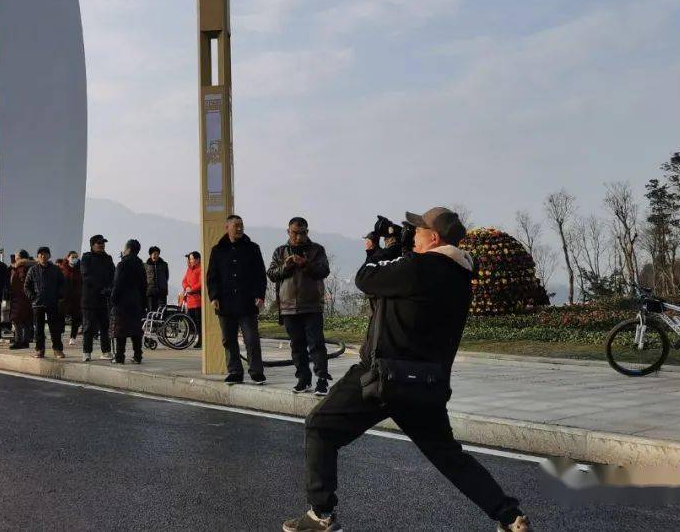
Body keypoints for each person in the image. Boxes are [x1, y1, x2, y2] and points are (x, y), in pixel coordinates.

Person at [285, 208, 531, 532]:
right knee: (449, 457)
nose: (412, 233)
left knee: (319, 427)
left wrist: (381, 248)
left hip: (382, 378)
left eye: (417, 230)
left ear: (433, 238)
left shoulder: (420, 266)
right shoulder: (459, 278)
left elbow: (365, 278)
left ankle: (321, 515)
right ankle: (510, 517)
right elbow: (395, 291)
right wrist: (397, 251)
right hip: (425, 385)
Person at [268, 217, 331, 395]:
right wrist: (286, 267)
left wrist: (305, 264)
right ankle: (303, 379)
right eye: (295, 233)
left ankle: (322, 380)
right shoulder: (280, 251)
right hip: (288, 307)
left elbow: (323, 271)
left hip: (311, 306)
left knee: (316, 344)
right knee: (297, 345)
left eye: (302, 233)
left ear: (307, 232)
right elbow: (272, 274)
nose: (298, 236)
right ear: (288, 232)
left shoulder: (317, 250)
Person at [207, 215, 267, 385]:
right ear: (227, 228)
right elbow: (212, 277)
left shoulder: (252, 248)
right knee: (228, 339)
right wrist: (214, 297)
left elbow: (260, 275)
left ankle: (256, 371)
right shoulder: (217, 250)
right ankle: (234, 371)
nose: (239, 229)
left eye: (241, 225)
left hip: (247, 302)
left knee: (251, 339)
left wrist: (260, 295)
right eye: (236, 226)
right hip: (225, 303)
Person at [110, 239, 148, 364]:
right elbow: (144, 286)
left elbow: (117, 284)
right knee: (136, 330)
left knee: (120, 330)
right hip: (136, 302)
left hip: (122, 302)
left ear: (129, 249)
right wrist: (144, 303)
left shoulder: (122, 264)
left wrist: (113, 299)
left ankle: (120, 356)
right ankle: (138, 356)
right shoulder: (141, 265)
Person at [25, 247, 65, 359]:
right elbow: (27, 286)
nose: (43, 256)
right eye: (40, 254)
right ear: (38, 256)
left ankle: (57, 350)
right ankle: (39, 350)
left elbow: (62, 283)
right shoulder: (33, 270)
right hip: (37, 304)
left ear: (49, 256)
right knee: (39, 329)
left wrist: (59, 295)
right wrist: (33, 297)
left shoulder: (55, 269)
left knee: (55, 328)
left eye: (45, 254)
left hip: (52, 302)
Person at [80, 234, 115, 362]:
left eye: (103, 243)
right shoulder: (86, 257)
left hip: (104, 298)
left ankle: (106, 351)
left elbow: (113, 275)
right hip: (89, 298)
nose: (102, 245)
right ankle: (87, 352)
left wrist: (110, 289)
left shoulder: (108, 258)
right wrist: (100, 287)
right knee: (88, 327)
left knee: (105, 326)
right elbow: (86, 275)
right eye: (99, 243)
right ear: (92, 245)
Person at [7, 251, 34, 349]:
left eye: (17, 256)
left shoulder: (21, 268)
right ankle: (25, 341)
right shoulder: (32, 267)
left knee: (16, 319)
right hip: (28, 298)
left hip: (19, 297)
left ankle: (18, 341)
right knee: (26, 320)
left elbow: (21, 281)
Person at [57, 251, 83, 344]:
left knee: (75, 318)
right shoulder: (62, 268)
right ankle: (60, 333)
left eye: (76, 257)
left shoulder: (80, 269)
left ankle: (73, 337)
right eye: (72, 257)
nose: (74, 259)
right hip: (64, 298)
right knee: (61, 317)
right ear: (68, 258)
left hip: (76, 298)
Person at [179, 252, 203, 348]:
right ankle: (186, 340)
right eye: (190, 259)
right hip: (190, 301)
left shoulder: (201, 269)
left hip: (198, 301)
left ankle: (201, 341)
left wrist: (191, 289)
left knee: (199, 323)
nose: (190, 261)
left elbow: (201, 283)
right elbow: (184, 281)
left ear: (197, 259)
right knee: (188, 321)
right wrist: (186, 287)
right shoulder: (189, 269)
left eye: (192, 259)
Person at [144, 246, 170, 313]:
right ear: (150, 255)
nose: (156, 256)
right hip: (150, 292)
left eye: (157, 254)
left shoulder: (164, 265)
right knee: (151, 312)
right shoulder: (146, 265)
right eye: (154, 254)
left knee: (162, 312)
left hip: (161, 292)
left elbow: (166, 277)